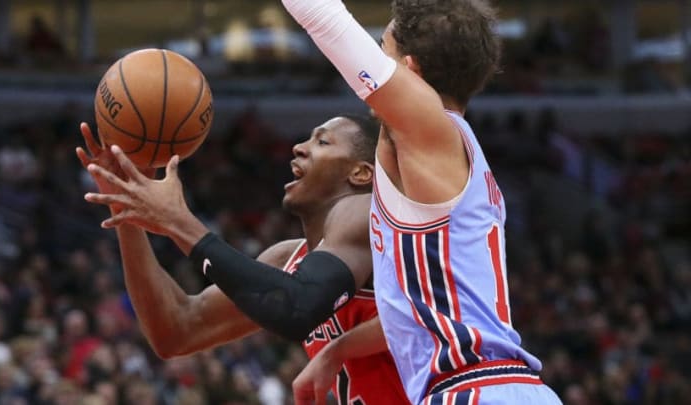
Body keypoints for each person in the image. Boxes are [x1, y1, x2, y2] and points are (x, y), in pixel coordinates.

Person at [277, 0, 563, 403]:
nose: (377, 64)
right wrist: (336, 351)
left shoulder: (431, 129)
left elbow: (324, 18)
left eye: (383, 49)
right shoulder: (446, 156)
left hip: (473, 388)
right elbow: (409, 314)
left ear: (409, 71)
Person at [78, 115, 409, 404]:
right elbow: (177, 331)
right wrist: (125, 209)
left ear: (362, 174)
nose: (299, 147)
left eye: (322, 141)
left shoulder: (374, 218)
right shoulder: (287, 260)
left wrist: (180, 222)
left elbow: (297, 306)